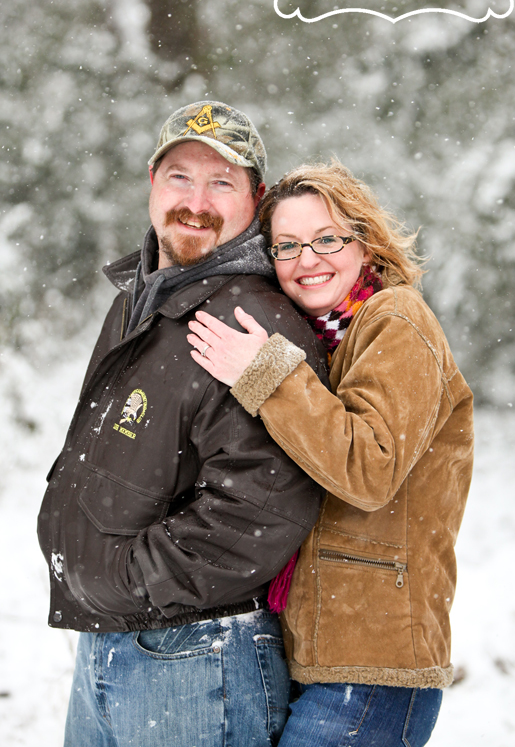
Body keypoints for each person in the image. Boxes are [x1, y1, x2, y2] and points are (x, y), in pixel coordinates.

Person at [37, 101, 328, 747]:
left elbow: (267, 504)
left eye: (222, 183)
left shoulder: (257, 323)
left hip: (196, 658)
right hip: (113, 646)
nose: (196, 201)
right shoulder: (140, 300)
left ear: (256, 198)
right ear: (151, 182)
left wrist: (131, 578)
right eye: (180, 178)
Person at [187, 160, 474, 747]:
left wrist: (265, 374)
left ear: (364, 243)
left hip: (374, 663)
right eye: (287, 245)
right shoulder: (322, 344)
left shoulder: (397, 319)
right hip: (314, 651)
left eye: (326, 239)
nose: (307, 260)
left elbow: (368, 468)